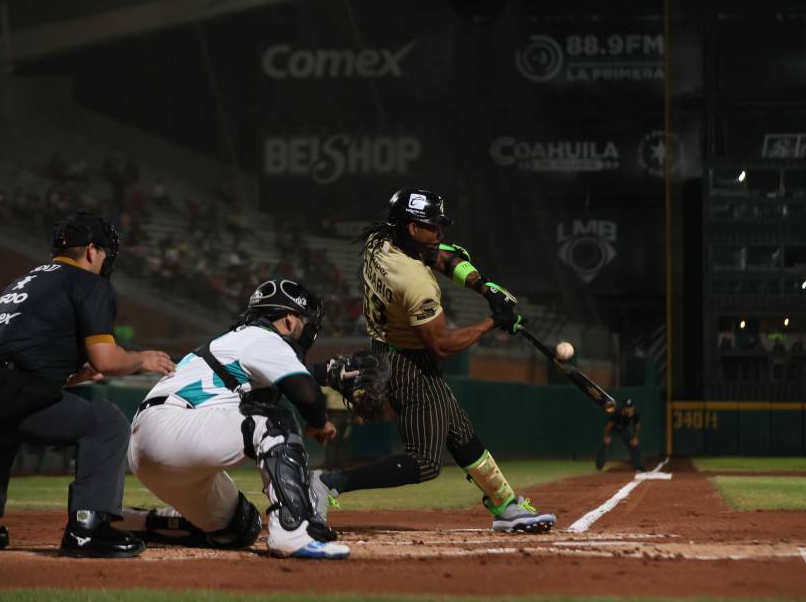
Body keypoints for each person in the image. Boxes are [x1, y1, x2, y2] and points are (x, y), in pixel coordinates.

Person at [0, 211, 176, 558]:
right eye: (105, 254)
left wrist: (72, 377)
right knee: (106, 423)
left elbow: (12, 354)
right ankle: (87, 529)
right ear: (92, 251)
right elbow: (106, 360)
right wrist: (142, 359)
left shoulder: (25, 280)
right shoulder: (88, 282)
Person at [313, 187, 556, 533]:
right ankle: (329, 482)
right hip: (408, 364)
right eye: (433, 226)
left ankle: (505, 504)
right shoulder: (412, 281)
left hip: (390, 350)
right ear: (412, 228)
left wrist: (485, 288)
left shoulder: (381, 241)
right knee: (425, 462)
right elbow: (441, 345)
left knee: (460, 433)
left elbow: (443, 256)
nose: (440, 234)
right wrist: (494, 321)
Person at [117, 278, 361, 559]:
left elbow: (273, 383)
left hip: (152, 447)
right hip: (171, 429)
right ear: (290, 321)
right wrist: (320, 422)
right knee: (273, 421)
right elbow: (305, 394)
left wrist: (325, 374)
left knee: (240, 528)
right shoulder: (264, 337)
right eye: (306, 324)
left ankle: (126, 520)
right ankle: (293, 531)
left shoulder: (242, 339)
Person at [596, 399, 643, 472]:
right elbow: (609, 425)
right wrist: (606, 437)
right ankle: (599, 467)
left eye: (630, 407)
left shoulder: (634, 413)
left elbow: (637, 425)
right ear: (624, 408)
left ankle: (638, 467)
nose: (629, 409)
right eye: (628, 407)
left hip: (623, 430)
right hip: (612, 429)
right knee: (604, 443)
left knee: (634, 444)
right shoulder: (617, 413)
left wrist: (635, 438)